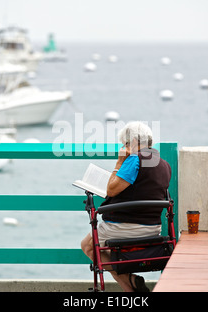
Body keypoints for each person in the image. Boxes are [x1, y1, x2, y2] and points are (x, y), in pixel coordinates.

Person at [81, 121, 171, 292]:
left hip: (125, 227)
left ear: (134, 143)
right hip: (153, 228)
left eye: (126, 143)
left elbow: (111, 189)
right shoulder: (164, 164)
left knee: (87, 245)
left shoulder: (133, 160)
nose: (124, 146)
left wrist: (119, 162)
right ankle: (130, 289)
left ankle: (129, 282)